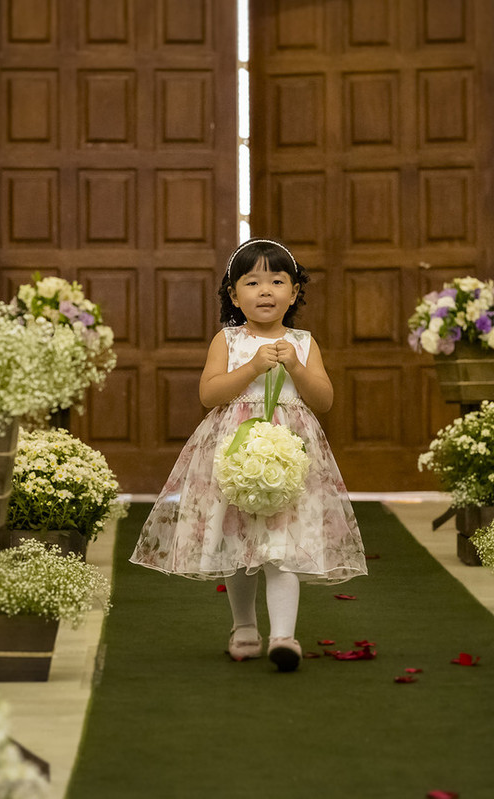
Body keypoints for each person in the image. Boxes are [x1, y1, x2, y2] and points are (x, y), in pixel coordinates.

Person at [130, 239, 366, 672]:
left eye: (277, 281)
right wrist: (254, 366)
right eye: (252, 281)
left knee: (283, 543)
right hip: (235, 454)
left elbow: (324, 400)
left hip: (290, 458)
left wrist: (294, 366)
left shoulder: (304, 342)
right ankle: (244, 627)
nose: (265, 290)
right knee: (237, 539)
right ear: (234, 294)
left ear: (293, 293)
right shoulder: (228, 340)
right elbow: (209, 393)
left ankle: (284, 636)